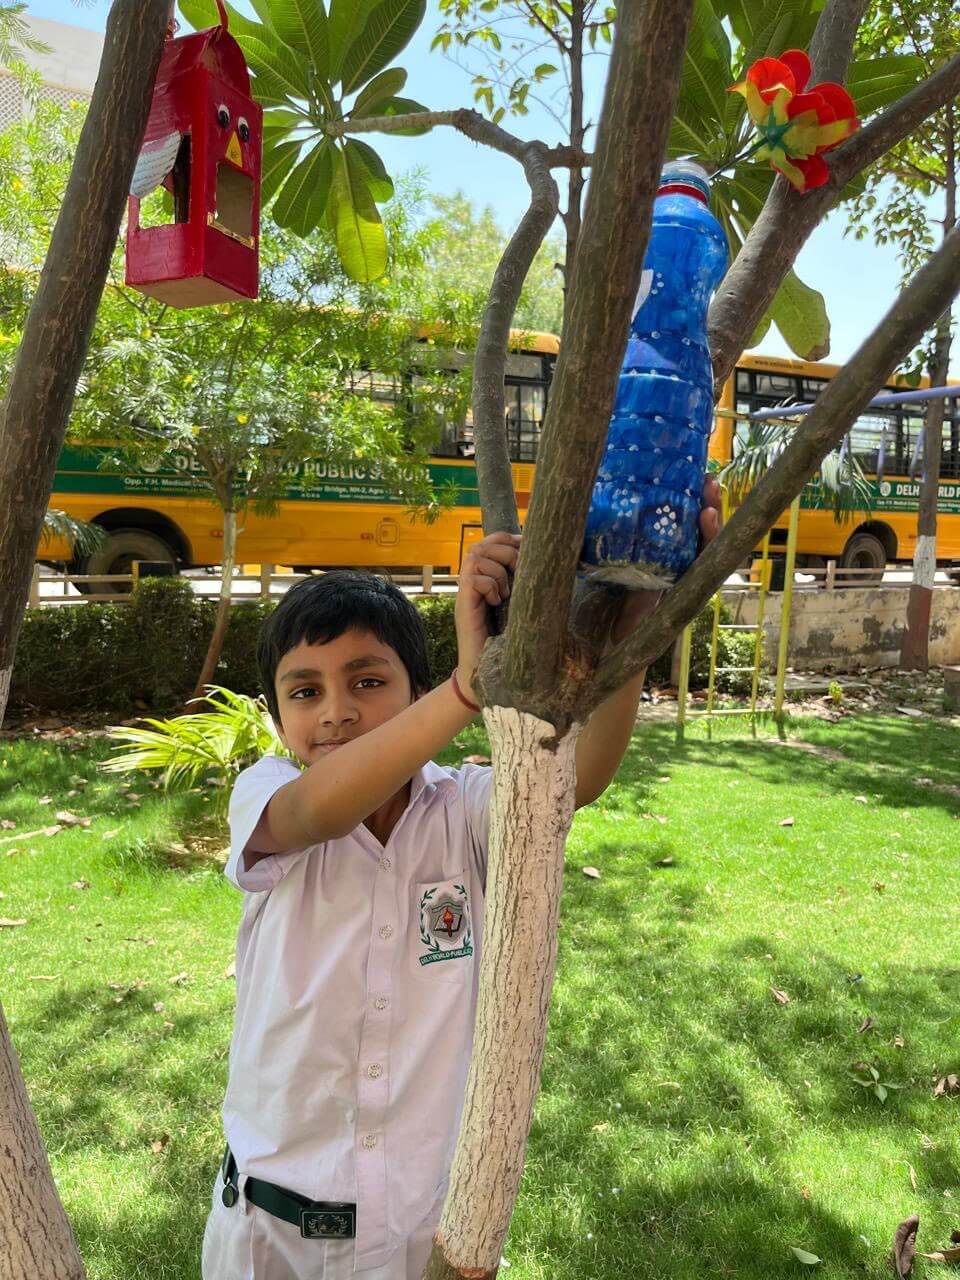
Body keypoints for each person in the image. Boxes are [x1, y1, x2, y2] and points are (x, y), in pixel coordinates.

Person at [201, 487, 720, 1280]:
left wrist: (637, 622)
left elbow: (576, 778)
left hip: (425, 1229)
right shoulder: (270, 795)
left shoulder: (466, 807)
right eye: (305, 691)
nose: (335, 712)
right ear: (277, 717)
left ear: (414, 690)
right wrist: (467, 690)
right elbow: (317, 812)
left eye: (367, 681)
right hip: (272, 1237)